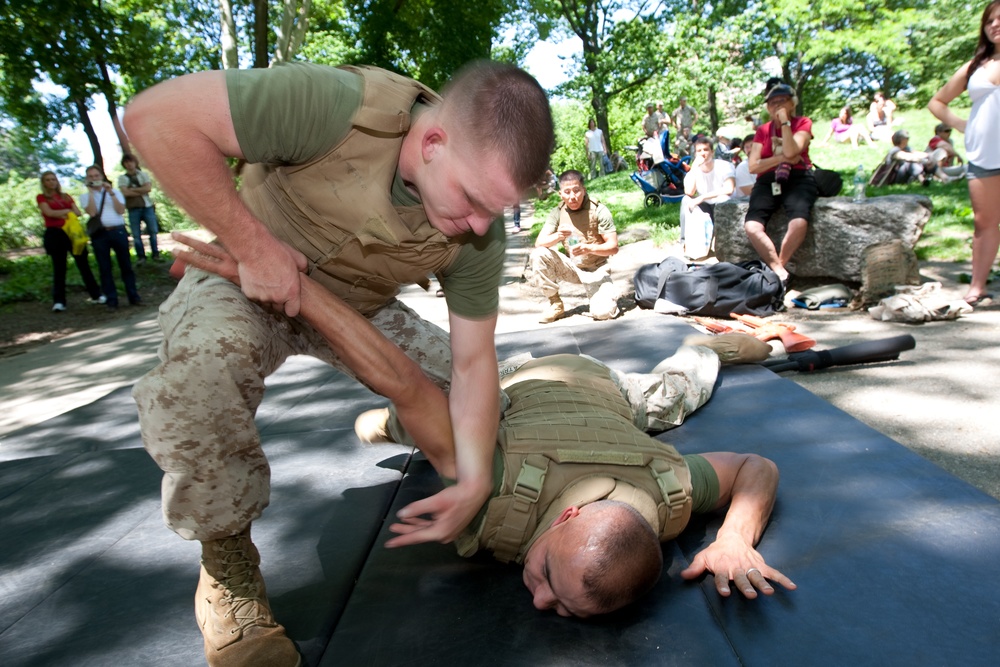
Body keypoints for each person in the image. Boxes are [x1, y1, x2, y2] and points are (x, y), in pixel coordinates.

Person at [124, 59, 553, 667]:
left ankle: (397, 424)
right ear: (432, 143)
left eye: (497, 212)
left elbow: (475, 365)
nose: (481, 226)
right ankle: (228, 571)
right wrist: (252, 246)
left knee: (483, 416)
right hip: (245, 279)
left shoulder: (478, 228)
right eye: (475, 202)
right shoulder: (335, 106)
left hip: (361, 309)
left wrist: (475, 479)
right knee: (201, 372)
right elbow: (154, 118)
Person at [174, 232, 793, 620]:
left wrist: (735, 538)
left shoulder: (670, 496)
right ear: (571, 519)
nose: (541, 600)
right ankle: (384, 430)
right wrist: (297, 291)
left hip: (609, 395)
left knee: (681, 387)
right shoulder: (499, 484)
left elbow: (756, 470)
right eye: (551, 577)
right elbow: (413, 391)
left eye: (562, 609)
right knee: (423, 419)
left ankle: (717, 346)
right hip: (521, 384)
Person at [929, 0, 1000, 306]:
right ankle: (977, 286)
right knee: (984, 222)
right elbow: (937, 102)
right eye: (990, 21)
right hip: (984, 154)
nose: (995, 25)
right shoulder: (975, 65)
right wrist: (963, 125)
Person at [745, 83, 818, 283]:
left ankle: (779, 269)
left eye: (782, 101)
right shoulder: (763, 130)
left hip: (798, 176)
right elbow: (753, 166)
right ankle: (780, 272)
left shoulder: (803, 122)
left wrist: (785, 123)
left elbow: (792, 150)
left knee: (799, 221)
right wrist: (782, 159)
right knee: (752, 225)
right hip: (768, 180)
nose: (777, 106)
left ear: (792, 103)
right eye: (772, 103)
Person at [530, 170, 619, 323]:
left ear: (584, 190)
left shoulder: (599, 210)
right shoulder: (557, 212)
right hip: (572, 267)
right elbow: (539, 243)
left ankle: (604, 292)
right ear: (560, 194)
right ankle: (555, 303)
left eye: (577, 191)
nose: (572, 197)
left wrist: (589, 248)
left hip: (596, 269)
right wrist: (558, 235)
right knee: (538, 254)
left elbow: (613, 247)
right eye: (567, 192)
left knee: (603, 313)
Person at [35, 171, 104, 311]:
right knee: (59, 268)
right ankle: (59, 301)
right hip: (55, 234)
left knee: (83, 264)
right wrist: (67, 211)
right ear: (44, 183)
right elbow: (49, 213)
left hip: (72, 233)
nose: (51, 182)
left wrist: (65, 211)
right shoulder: (42, 197)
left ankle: (96, 295)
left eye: (53, 179)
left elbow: (78, 212)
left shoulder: (65, 196)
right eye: (48, 180)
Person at [80, 164, 141, 310]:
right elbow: (92, 212)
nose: (94, 179)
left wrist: (110, 192)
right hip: (100, 234)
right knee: (105, 268)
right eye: (91, 177)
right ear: (87, 179)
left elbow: (120, 210)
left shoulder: (115, 192)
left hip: (118, 231)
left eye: (96, 176)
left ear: (102, 177)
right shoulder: (84, 196)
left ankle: (134, 297)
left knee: (126, 265)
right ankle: (111, 300)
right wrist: (90, 191)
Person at [681, 137, 736, 258]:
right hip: (706, 205)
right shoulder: (695, 169)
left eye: (706, 150)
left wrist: (702, 197)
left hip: (723, 203)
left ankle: (724, 245)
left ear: (712, 151)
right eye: (699, 151)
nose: (703, 153)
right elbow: (689, 191)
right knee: (686, 200)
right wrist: (694, 168)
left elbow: (729, 189)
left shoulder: (724, 166)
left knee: (723, 200)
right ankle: (686, 243)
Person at [117, 154, 161, 264]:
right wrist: (141, 190)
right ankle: (141, 257)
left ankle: (156, 254)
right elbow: (124, 192)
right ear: (124, 164)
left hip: (147, 206)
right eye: (126, 162)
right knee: (136, 234)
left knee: (153, 231)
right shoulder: (122, 178)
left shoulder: (143, 174)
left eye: (131, 161)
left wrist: (132, 190)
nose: (129, 164)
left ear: (135, 162)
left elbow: (148, 188)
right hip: (133, 208)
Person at [734, 134, 758, 199]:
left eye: (752, 146)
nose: (749, 149)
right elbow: (750, 192)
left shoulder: (767, 162)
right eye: (746, 147)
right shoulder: (742, 167)